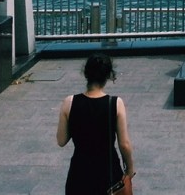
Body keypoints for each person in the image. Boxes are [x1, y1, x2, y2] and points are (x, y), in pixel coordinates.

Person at [57, 54, 136, 195]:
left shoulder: (69, 102)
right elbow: (124, 144)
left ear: (86, 73)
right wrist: (130, 169)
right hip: (108, 174)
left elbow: (61, 140)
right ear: (108, 76)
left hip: (79, 173)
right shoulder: (115, 103)